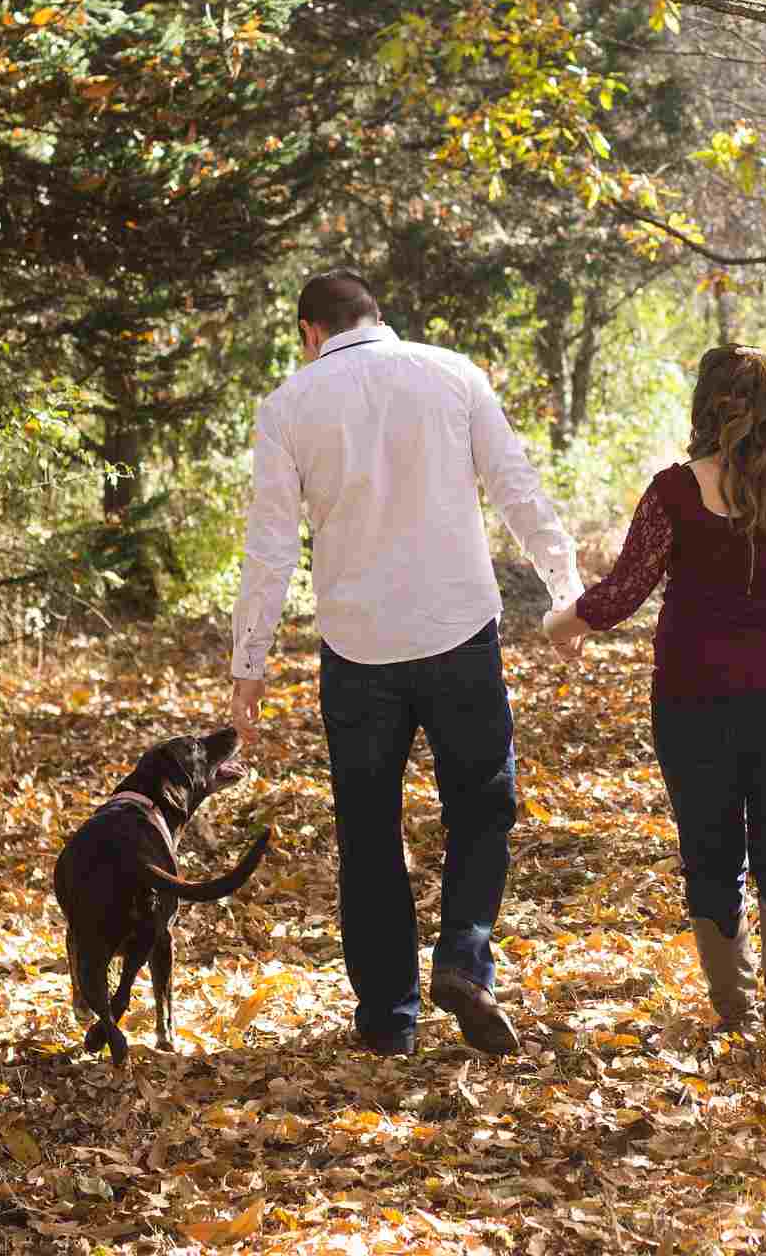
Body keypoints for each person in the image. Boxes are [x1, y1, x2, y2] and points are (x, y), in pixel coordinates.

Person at [229, 270, 583, 1058]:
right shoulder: (453, 374)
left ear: (308, 331)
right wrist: (568, 590)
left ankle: (389, 1020)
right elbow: (516, 489)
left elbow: (270, 547)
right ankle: (463, 953)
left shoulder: (287, 406)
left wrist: (247, 662)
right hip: (459, 633)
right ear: (378, 317)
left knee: (368, 830)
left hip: (358, 653)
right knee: (483, 807)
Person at [542, 345, 766, 1055]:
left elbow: (624, 591)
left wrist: (561, 623)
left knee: (711, 857)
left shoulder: (675, 492)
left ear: (706, 407)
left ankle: (736, 1009)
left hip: (697, 700)